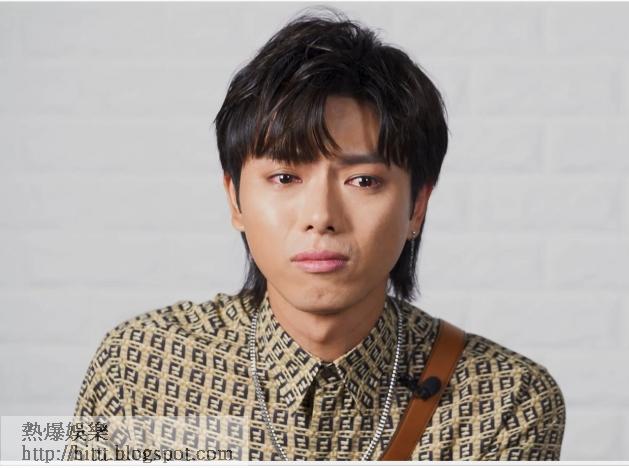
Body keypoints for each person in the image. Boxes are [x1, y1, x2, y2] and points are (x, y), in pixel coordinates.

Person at [68, 8, 565, 461]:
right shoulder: (141, 365)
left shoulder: (504, 399)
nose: (321, 216)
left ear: (417, 206)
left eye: (363, 181)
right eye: (285, 177)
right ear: (235, 200)